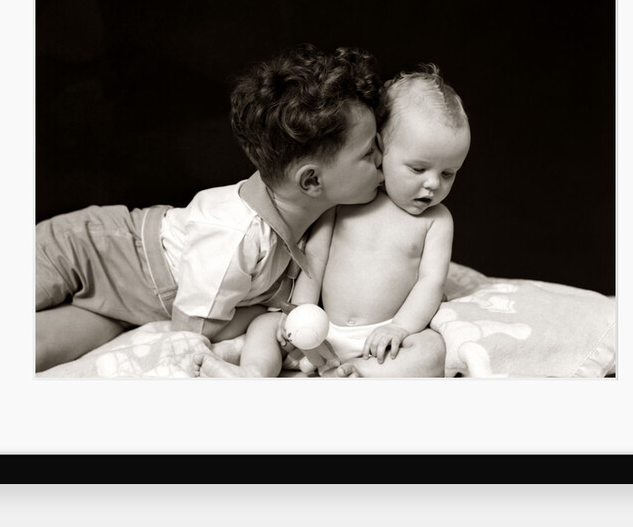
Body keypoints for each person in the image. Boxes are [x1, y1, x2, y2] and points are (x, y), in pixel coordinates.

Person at [35, 44, 384, 372]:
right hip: (83, 248)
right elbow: (194, 328)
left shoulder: (311, 212)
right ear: (310, 182)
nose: (384, 159)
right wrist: (264, 312)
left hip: (127, 301)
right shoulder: (236, 236)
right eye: (370, 153)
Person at [197, 63, 469, 378]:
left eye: (448, 173)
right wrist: (298, 313)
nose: (434, 184)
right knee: (265, 324)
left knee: (433, 350)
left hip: (381, 338)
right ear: (380, 149)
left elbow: (431, 282)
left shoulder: (437, 220)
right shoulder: (346, 202)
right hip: (321, 329)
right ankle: (254, 374)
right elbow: (314, 260)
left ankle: (358, 376)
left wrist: (400, 328)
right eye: (418, 169)